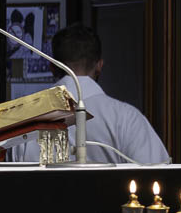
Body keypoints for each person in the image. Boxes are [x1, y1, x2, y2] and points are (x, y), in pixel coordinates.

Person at [12, 25, 169, 165]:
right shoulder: (127, 118)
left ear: (52, 67)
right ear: (99, 65)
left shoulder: (23, 121)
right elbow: (154, 173)